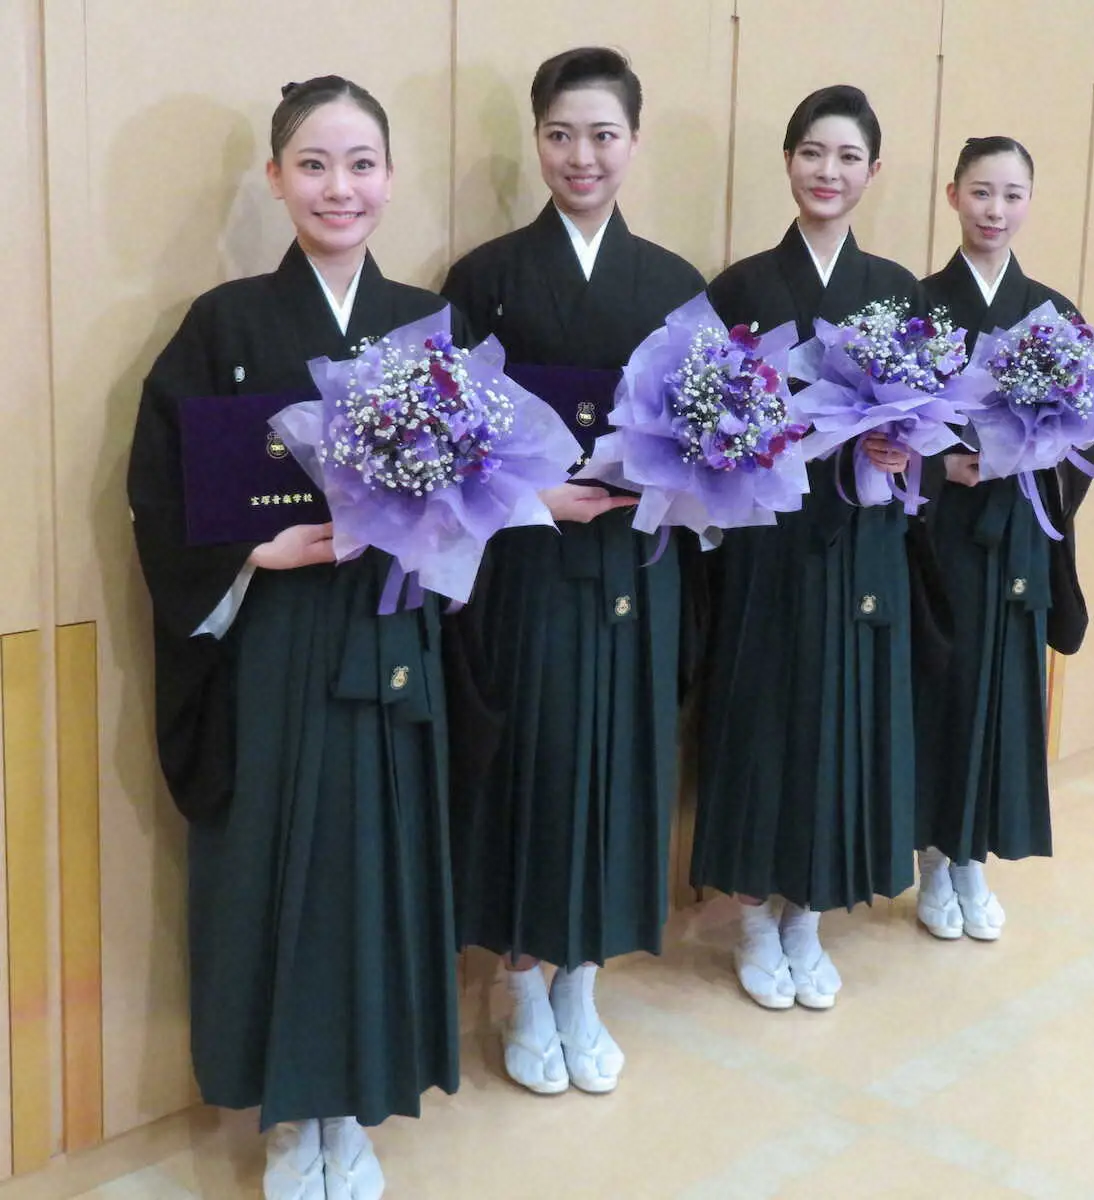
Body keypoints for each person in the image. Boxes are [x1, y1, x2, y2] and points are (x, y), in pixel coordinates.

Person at [128, 76, 461, 1200]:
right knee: (270, 870)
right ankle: (284, 1113)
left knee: (372, 871)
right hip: (269, 646)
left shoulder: (427, 326)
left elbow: (475, 493)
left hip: (386, 637)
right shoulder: (223, 324)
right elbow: (160, 491)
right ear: (275, 178)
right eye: (313, 164)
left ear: (390, 179)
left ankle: (353, 1108)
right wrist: (250, 555)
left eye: (361, 163)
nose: (339, 187)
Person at [441, 47, 704, 1096]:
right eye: (560, 135)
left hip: (636, 562)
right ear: (537, 141)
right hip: (530, 566)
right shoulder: (484, 279)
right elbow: (452, 442)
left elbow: (716, 441)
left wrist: (680, 470)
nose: (581, 156)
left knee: (620, 763)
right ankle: (521, 978)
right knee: (536, 761)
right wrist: (533, 495)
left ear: (633, 142)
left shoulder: (675, 286)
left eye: (602, 135)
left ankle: (585, 980)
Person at [690, 85, 919, 1011]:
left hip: (858, 536)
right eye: (813, 152)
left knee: (838, 717)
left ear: (873, 171)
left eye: (848, 157)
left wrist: (903, 450)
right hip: (763, 540)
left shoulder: (895, 292)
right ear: (787, 160)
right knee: (760, 715)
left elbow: (929, 431)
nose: (828, 172)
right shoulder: (739, 288)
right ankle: (752, 915)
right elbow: (699, 417)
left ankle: (807, 915)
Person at [914, 136, 1094, 943]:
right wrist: (941, 466)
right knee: (946, 682)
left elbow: (1091, 424)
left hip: (1020, 526)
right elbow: (893, 424)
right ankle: (933, 856)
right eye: (981, 192)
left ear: (1028, 203)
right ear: (952, 195)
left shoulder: (1052, 313)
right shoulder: (920, 305)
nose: (994, 210)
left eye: (1011, 195)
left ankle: (973, 858)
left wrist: (1043, 447)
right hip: (946, 532)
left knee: (1005, 687)